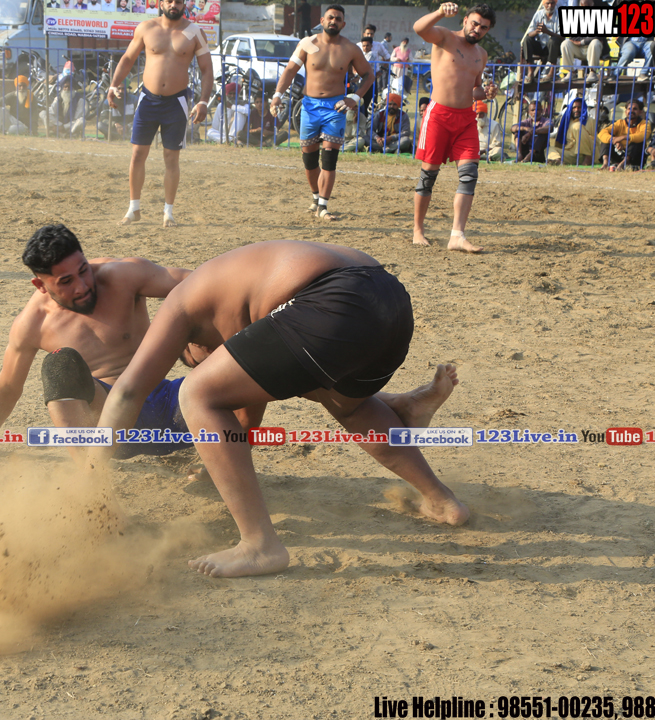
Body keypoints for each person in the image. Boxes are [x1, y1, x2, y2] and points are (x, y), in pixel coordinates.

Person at [91, 240, 468, 579]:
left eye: (195, 360)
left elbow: (127, 392)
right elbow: (248, 413)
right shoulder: (235, 290)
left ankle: (259, 544)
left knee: (197, 393)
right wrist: (218, 463)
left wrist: (90, 473)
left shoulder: (181, 304)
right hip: (390, 300)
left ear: (192, 345)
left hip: (334, 298)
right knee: (346, 405)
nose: (207, 361)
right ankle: (440, 498)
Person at [0, 223, 196, 461]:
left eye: (84, 270)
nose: (82, 286)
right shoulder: (33, 323)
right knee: (60, 364)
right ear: (40, 285)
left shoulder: (123, 276)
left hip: (173, 403)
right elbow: (8, 386)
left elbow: (205, 284)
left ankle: (218, 457)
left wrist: (196, 338)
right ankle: (90, 479)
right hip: (112, 426)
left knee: (220, 343)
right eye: (66, 281)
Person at [106, 0, 212, 227]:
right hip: (148, 100)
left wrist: (203, 101)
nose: (174, 5)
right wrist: (113, 85)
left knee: (171, 158)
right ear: (161, 3)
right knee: (137, 154)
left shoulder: (195, 32)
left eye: (178, 1)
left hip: (177, 103)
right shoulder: (146, 28)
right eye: (169, 1)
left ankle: (168, 212)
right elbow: (127, 59)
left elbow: (206, 69)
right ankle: (133, 208)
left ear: (184, 5)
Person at [269, 5, 375, 221]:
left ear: (343, 24)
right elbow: (290, 70)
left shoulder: (350, 49)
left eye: (338, 19)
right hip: (309, 106)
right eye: (330, 17)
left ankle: (323, 206)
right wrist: (277, 95)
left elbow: (369, 75)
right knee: (309, 159)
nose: (333, 21)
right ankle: (316, 197)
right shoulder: (307, 44)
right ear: (322, 20)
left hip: (335, 107)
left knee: (329, 157)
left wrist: (355, 97)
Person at [412, 2, 498, 252]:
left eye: (484, 27)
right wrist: (440, 12)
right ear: (465, 20)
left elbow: (475, 88)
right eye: (475, 23)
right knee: (428, 176)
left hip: (466, 119)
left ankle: (457, 236)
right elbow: (419, 28)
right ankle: (418, 230)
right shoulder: (444, 37)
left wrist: (487, 93)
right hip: (438, 116)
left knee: (470, 175)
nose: (477, 29)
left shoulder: (481, 54)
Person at [558, 0, 607, 82]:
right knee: (565, 43)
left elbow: (598, 37)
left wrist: (582, 42)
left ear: (593, 5)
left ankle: (592, 72)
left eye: (588, 6)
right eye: (584, 6)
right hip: (579, 49)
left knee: (595, 42)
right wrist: (583, 40)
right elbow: (572, 37)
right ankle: (571, 72)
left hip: (593, 50)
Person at [598, 99, 648, 170]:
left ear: (640, 112)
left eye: (635, 109)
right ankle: (605, 164)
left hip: (634, 157)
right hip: (619, 153)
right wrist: (615, 141)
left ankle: (623, 164)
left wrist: (623, 138)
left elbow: (643, 136)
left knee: (637, 141)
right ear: (626, 111)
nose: (631, 111)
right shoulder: (620, 123)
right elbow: (602, 133)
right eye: (629, 109)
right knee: (606, 139)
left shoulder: (644, 124)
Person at [547, 96, 596, 166]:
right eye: (574, 107)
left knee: (577, 126)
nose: (577, 110)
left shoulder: (590, 121)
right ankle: (558, 161)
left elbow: (595, 140)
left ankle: (587, 158)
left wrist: (582, 134)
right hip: (570, 153)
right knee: (548, 149)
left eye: (579, 107)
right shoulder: (566, 121)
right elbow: (559, 138)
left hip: (584, 154)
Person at [521, 0, 562, 83]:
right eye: (548, 3)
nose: (550, 6)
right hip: (540, 46)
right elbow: (530, 33)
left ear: (555, 3)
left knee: (553, 40)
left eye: (552, 3)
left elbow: (562, 37)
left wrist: (547, 31)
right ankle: (530, 72)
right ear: (543, 4)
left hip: (553, 48)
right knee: (527, 39)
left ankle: (551, 72)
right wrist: (537, 31)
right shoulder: (538, 14)